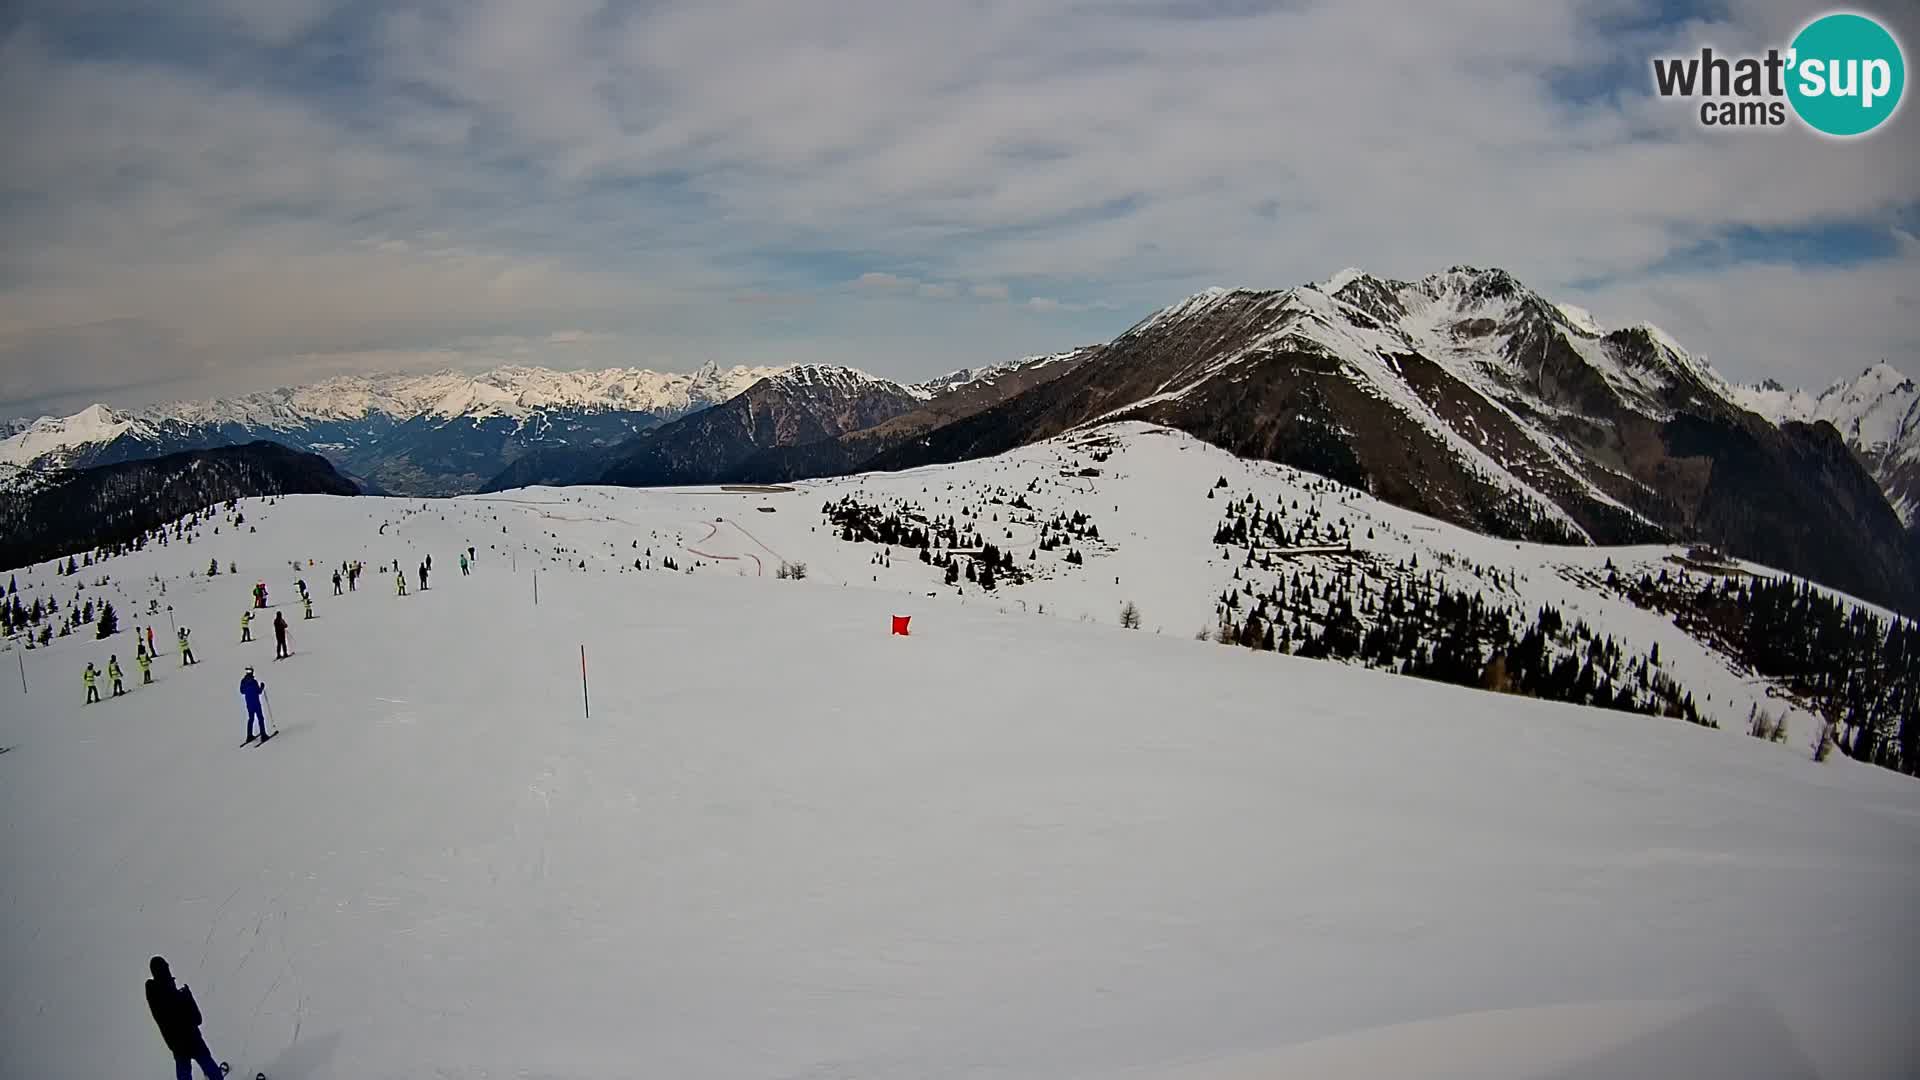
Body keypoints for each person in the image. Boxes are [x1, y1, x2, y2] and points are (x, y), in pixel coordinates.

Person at [145, 956, 226, 1080]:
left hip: (176, 1044)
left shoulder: (154, 995)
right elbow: (197, 1019)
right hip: (192, 1039)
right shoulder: (175, 995)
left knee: (184, 1071)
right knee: (207, 1062)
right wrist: (187, 996)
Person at [240, 668, 269, 743]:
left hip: (249, 704)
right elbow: (258, 692)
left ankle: (249, 736)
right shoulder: (254, 682)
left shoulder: (243, 681)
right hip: (256, 703)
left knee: (251, 718)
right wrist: (262, 687)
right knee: (260, 718)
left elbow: (242, 691)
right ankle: (263, 735)